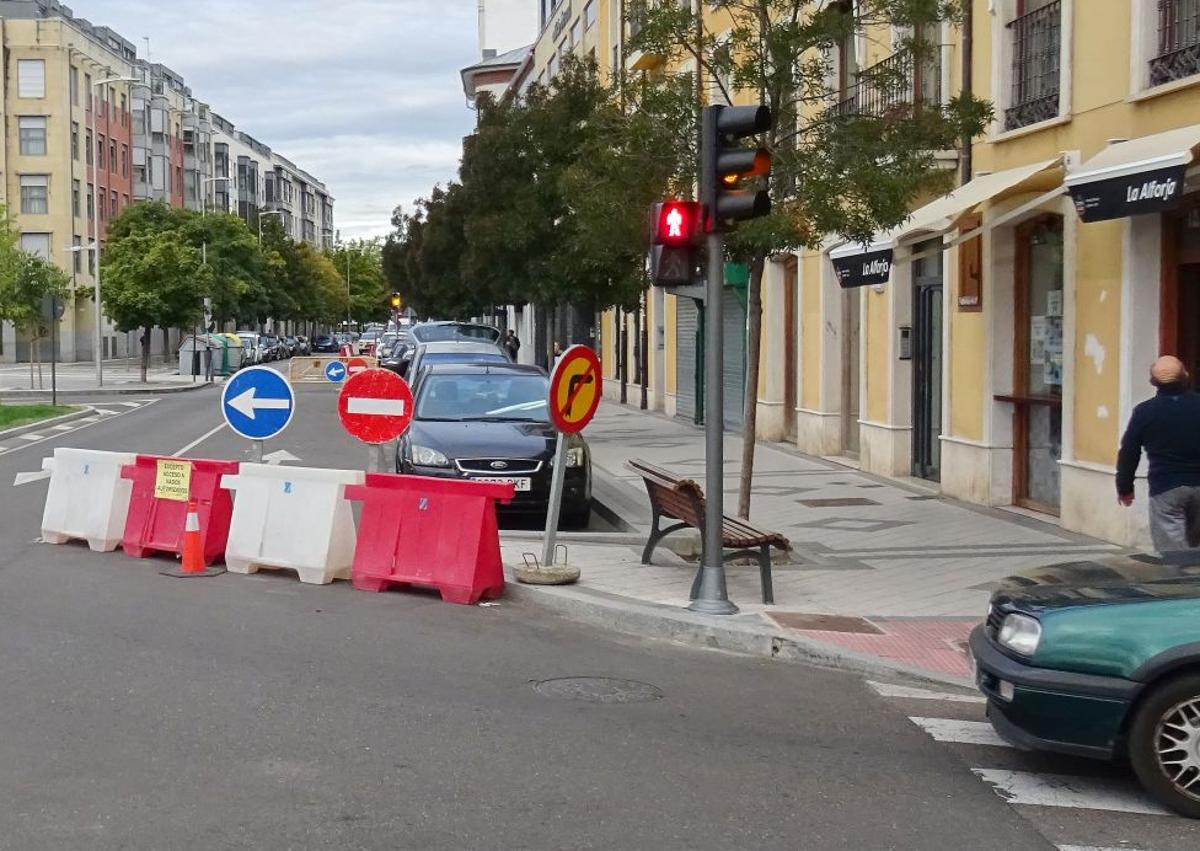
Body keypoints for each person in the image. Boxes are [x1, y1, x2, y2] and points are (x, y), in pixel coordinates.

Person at [1117, 355, 1200, 553]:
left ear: (1153, 382)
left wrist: (1125, 488)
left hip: (1166, 488)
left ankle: (1179, 583)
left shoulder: (1145, 412)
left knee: (1173, 556)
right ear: (1186, 376)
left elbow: (1129, 452)